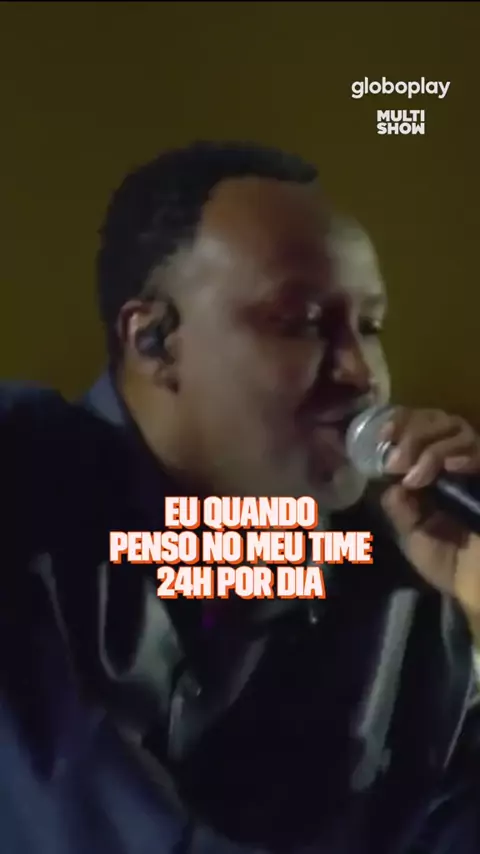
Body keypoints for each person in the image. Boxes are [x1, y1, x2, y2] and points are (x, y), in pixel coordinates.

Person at [2, 141, 480, 854]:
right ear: (155, 341)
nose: (362, 373)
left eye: (371, 327)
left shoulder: (403, 568)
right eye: (302, 322)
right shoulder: (24, 488)